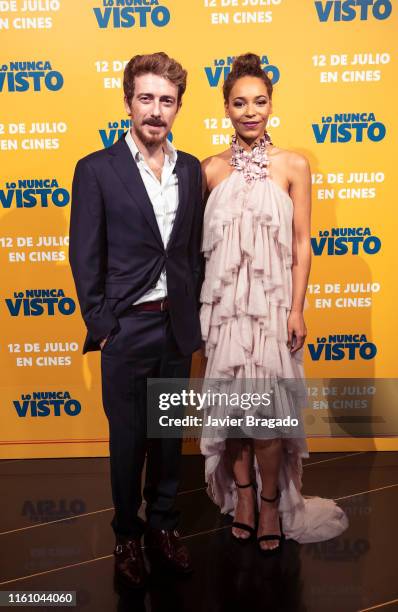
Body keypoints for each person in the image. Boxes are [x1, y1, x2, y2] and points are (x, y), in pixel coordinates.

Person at [200, 53, 348, 553]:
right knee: (233, 416)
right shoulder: (209, 170)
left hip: (273, 310)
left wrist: (297, 308)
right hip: (225, 312)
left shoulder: (294, 165)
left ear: (271, 104)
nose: (250, 111)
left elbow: (303, 242)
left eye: (259, 101)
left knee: (266, 417)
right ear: (226, 107)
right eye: (239, 102)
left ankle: (269, 504)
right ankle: (242, 497)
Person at [69, 52, 203, 588]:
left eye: (165, 101)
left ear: (177, 108)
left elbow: (190, 251)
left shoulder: (190, 169)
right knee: (127, 442)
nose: (155, 110)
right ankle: (127, 535)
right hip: (126, 330)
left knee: (168, 439)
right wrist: (105, 326)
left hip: (175, 330)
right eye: (145, 98)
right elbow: (85, 257)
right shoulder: (96, 169)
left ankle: (163, 527)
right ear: (128, 101)